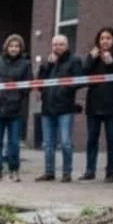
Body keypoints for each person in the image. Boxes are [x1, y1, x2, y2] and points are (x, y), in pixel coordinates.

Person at [81, 28, 113, 183]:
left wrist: (112, 63)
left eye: (108, 38)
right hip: (94, 104)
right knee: (92, 139)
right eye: (102, 38)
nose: (105, 41)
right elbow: (83, 72)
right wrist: (91, 58)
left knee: (112, 140)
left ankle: (110, 172)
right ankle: (90, 170)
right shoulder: (93, 55)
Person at [0, 34, 32, 183]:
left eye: (17, 46)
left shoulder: (25, 64)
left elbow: (28, 85)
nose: (14, 49)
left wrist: (17, 96)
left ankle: (14, 170)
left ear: (20, 48)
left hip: (15, 110)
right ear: (6, 47)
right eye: (11, 46)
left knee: (13, 143)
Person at [34, 35, 82, 182]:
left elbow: (79, 80)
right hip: (47, 108)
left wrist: (65, 89)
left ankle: (67, 173)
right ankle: (49, 172)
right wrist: (47, 66)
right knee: (48, 143)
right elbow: (40, 83)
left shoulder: (74, 60)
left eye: (61, 44)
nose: (57, 47)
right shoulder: (47, 62)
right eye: (55, 44)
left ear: (67, 46)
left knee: (65, 142)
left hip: (65, 107)